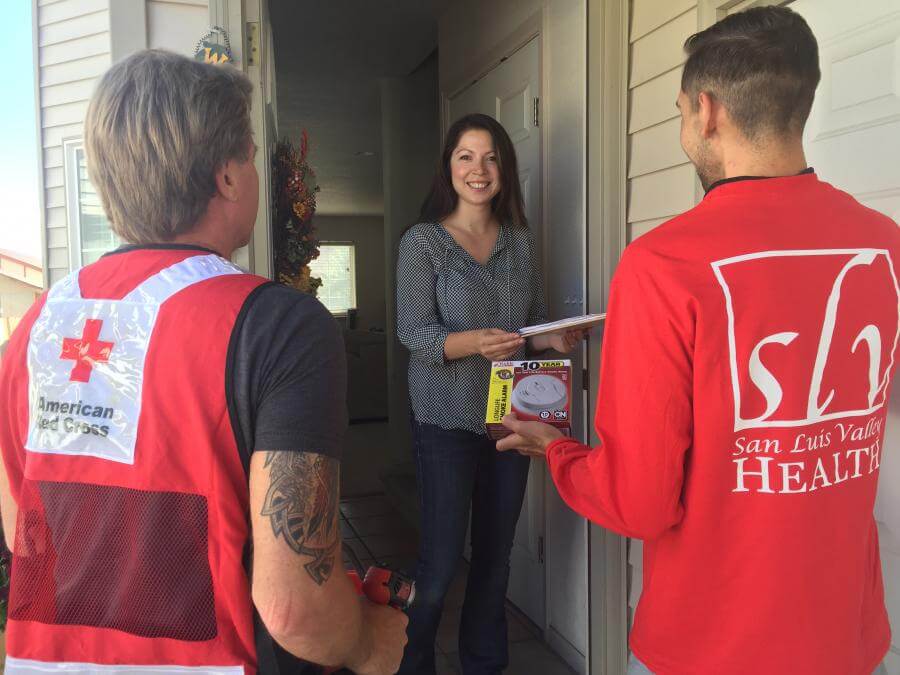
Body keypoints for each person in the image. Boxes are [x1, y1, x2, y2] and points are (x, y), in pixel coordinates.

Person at [498, 7, 897, 675]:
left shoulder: (665, 264)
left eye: (682, 109)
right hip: (847, 642)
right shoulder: (884, 245)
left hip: (710, 647)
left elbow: (639, 500)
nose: (686, 123)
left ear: (707, 112)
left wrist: (558, 451)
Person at [0, 50, 406, 674]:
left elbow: (23, 535)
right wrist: (369, 643)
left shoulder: (32, 330)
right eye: (249, 153)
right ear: (226, 176)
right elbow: (295, 610)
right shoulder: (279, 326)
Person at [395, 113, 583, 675]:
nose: (479, 170)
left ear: (505, 168)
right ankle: (412, 663)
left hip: (510, 420)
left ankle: (484, 665)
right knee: (441, 559)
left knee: (495, 559)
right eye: (466, 157)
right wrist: (472, 342)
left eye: (491, 157)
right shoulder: (422, 242)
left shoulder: (520, 244)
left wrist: (555, 336)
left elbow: (527, 327)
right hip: (444, 419)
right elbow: (414, 332)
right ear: (448, 167)